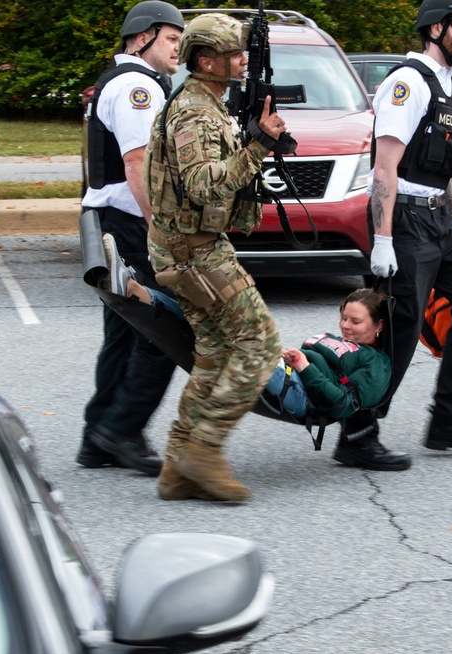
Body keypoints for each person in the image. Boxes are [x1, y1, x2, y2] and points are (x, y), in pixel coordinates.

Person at [334, 0, 452, 471]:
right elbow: (385, 166)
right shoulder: (408, 83)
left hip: (437, 219)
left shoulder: (451, 88)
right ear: (435, 28)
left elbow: (439, 168)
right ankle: (358, 433)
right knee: (398, 330)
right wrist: (383, 240)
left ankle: (447, 420)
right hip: (403, 221)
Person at [143, 13, 289, 502]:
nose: (242, 61)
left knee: (214, 352)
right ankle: (204, 450)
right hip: (195, 253)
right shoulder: (195, 113)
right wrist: (257, 146)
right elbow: (204, 184)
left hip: (190, 247)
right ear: (207, 61)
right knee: (260, 343)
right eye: (233, 54)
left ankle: (177, 467)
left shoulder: (206, 103)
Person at [77, 0, 184, 476]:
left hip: (109, 224)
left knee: (122, 334)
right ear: (143, 38)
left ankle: (98, 436)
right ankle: (121, 429)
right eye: (171, 39)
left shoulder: (122, 81)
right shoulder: (137, 86)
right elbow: (138, 163)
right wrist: (160, 225)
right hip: (127, 225)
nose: (178, 47)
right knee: (163, 329)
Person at [109, 251, 391, 421]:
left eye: (356, 321)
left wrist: (304, 367)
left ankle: (159, 284)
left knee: (234, 321)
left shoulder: (376, 364)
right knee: (208, 320)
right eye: (344, 318)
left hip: (301, 395)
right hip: (285, 370)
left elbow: (342, 405)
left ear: (378, 326)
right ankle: (138, 292)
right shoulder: (340, 341)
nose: (345, 326)